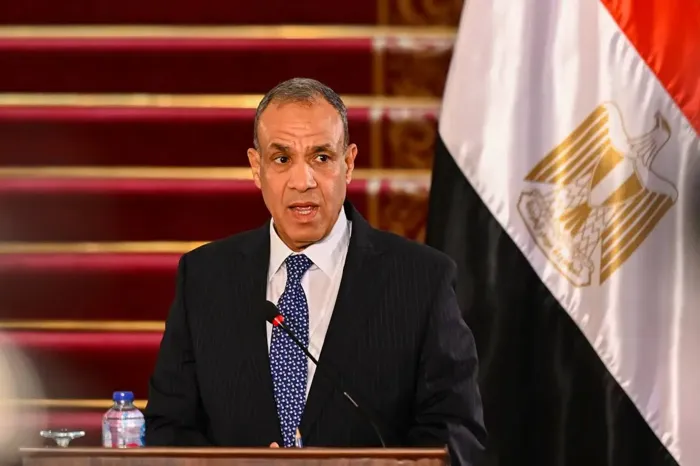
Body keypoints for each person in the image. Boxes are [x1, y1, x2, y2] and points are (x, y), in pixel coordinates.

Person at [144, 78, 487, 465]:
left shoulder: (420, 280)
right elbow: (167, 428)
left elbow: (455, 434)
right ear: (256, 168)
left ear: (348, 163)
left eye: (321, 157)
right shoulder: (205, 277)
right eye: (282, 159)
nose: (302, 182)